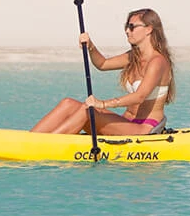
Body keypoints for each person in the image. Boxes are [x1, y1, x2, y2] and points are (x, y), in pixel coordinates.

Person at [31, 8, 176, 135]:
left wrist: (103, 104)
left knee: (88, 110)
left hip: (144, 128)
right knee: (68, 103)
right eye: (126, 26)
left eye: (132, 27)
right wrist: (90, 46)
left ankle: (43, 146)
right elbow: (103, 64)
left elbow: (139, 96)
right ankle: (31, 139)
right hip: (126, 122)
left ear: (149, 29)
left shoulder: (158, 62)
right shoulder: (134, 57)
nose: (127, 31)